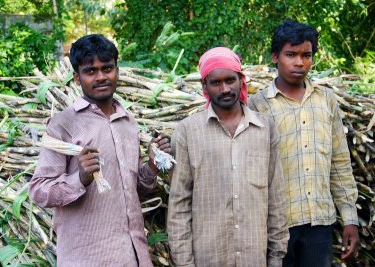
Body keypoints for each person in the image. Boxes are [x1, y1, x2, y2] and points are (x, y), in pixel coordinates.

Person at [29, 34, 170, 267]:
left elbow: (133, 190)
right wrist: (80, 178)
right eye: (91, 71)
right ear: (77, 77)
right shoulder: (63, 124)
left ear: (117, 70)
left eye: (107, 68)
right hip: (88, 258)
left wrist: (153, 166)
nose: (101, 77)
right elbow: (39, 191)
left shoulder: (127, 123)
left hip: (132, 255)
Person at [248, 19, 359, 267]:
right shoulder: (258, 105)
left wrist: (350, 218)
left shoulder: (326, 100)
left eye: (306, 55)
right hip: (276, 226)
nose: (300, 62)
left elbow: (339, 162)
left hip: (319, 222)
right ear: (275, 57)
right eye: (291, 54)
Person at [167, 47, 289, 266]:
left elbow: (276, 196)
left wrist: (277, 254)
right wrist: (184, 262)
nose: (224, 89)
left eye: (230, 80)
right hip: (208, 258)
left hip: (254, 257)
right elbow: (179, 204)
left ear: (241, 80)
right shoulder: (188, 131)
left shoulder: (265, 128)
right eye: (215, 82)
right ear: (204, 86)